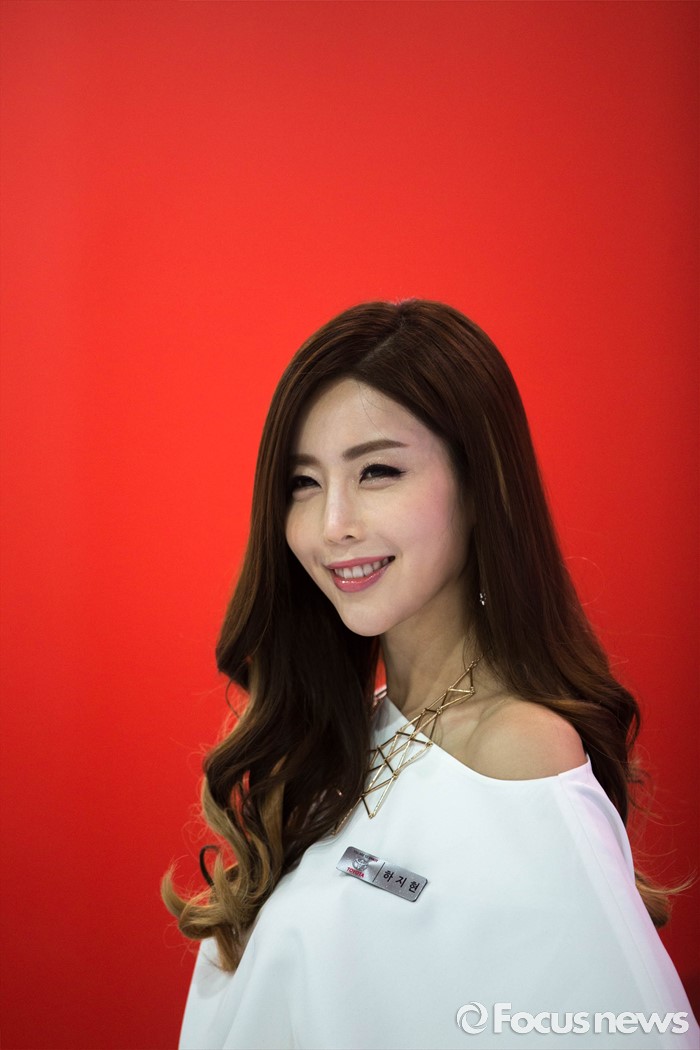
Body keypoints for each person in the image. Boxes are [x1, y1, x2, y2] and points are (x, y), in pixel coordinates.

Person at [163, 300, 698, 1049]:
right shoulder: (347, 739)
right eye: (304, 483)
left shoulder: (517, 751)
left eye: (377, 471)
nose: (332, 524)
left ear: (480, 487)